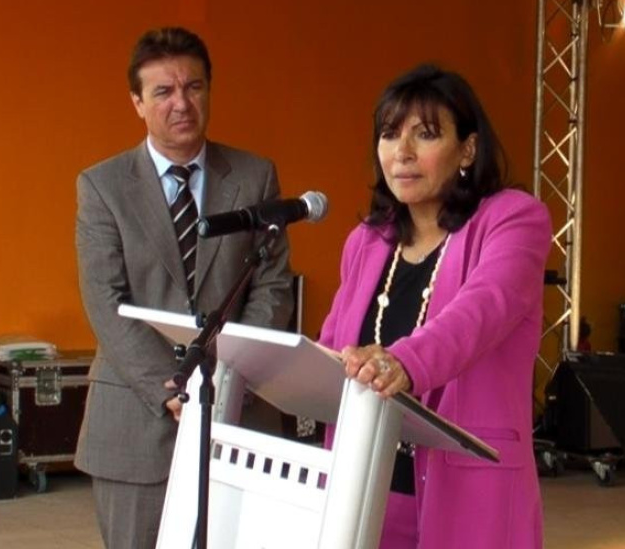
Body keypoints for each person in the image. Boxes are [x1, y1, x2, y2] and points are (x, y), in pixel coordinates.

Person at [74, 27, 293, 548]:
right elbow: (106, 301)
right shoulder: (102, 186)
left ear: (209, 90)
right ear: (137, 102)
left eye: (193, 87)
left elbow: (272, 285)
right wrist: (172, 385)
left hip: (237, 410)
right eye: (163, 91)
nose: (181, 103)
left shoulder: (255, 176)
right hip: (137, 417)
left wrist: (227, 373)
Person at [319, 64, 551, 549]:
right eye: (389, 134)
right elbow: (331, 349)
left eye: (425, 134)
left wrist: (403, 362)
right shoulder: (367, 241)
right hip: (363, 489)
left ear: (467, 149)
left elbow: (483, 310)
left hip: (468, 493)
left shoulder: (513, 219)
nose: (401, 152)